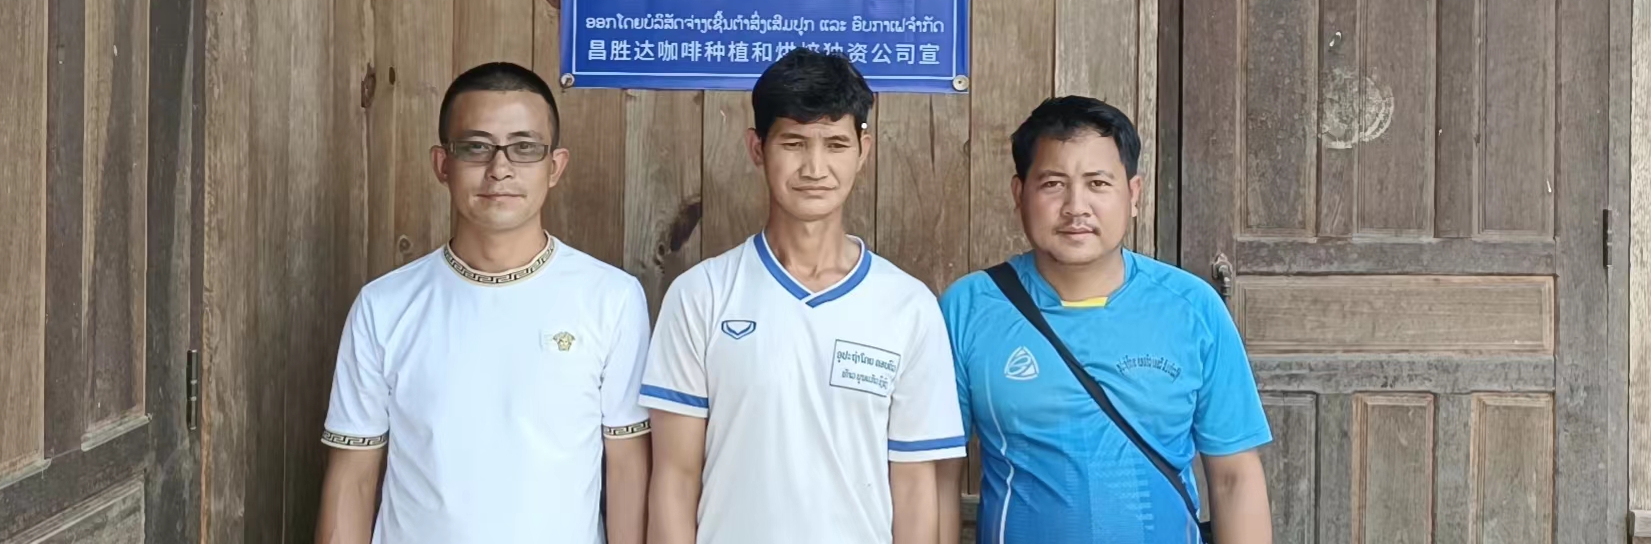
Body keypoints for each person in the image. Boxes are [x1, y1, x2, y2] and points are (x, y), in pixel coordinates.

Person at [314, 62, 652, 544]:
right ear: (442, 164)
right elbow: (352, 477)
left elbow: (628, 471)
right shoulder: (383, 306)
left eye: (524, 147)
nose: (500, 168)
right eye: (476, 147)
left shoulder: (611, 299)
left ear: (555, 167)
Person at [642, 49, 966, 544]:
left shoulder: (908, 306)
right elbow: (674, 477)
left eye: (835, 144)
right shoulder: (701, 296)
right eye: (793, 142)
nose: (815, 167)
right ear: (757, 148)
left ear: (863, 150)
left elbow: (915, 487)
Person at [936, 96, 1273, 544]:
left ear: (1133, 195)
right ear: (1019, 194)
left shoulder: (1192, 308)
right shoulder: (970, 308)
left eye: (1097, 183)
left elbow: (1235, 477)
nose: (1076, 207)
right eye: (1053, 184)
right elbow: (937, 473)